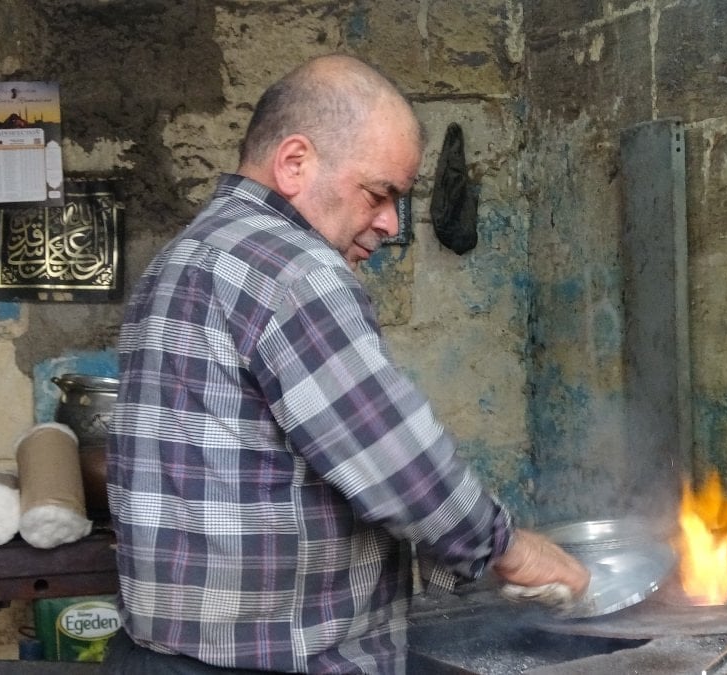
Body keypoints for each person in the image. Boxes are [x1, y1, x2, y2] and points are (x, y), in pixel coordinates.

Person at [104, 54, 589, 674]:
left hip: (158, 656)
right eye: (378, 193)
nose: (389, 222)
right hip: (273, 659)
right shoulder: (291, 268)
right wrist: (509, 548)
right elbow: (396, 463)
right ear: (295, 163)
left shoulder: (185, 254)